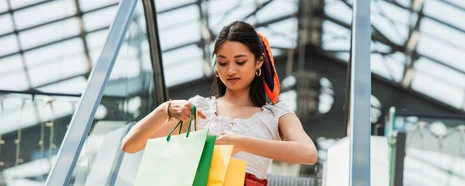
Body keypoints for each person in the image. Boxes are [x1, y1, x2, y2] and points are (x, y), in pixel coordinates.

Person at [121, 21, 318, 185]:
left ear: (259, 63)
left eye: (240, 62)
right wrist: (164, 110)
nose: (230, 70)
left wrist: (240, 142)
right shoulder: (200, 108)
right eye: (223, 62)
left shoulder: (276, 114)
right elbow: (130, 145)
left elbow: (308, 154)